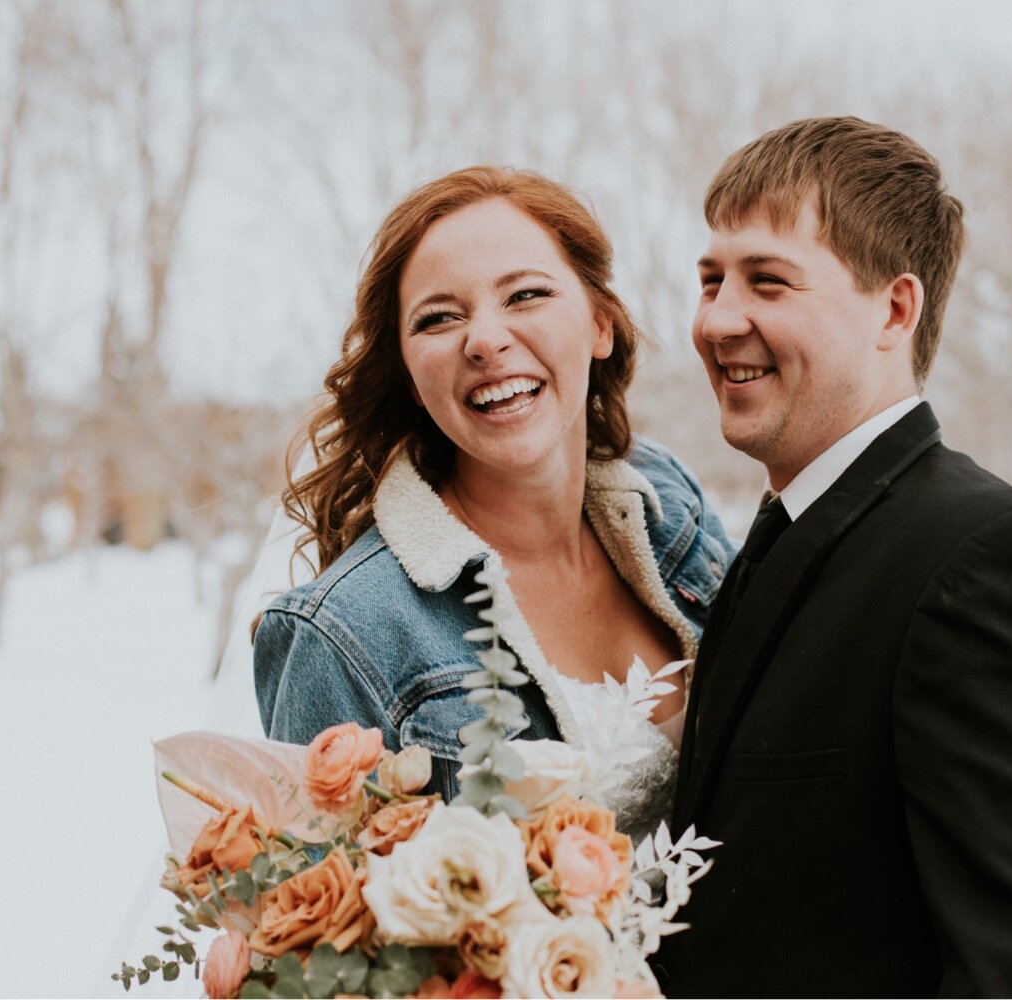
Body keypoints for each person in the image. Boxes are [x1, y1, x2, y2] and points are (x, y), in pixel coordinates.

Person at [657, 118, 1012, 997]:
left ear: (895, 309)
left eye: (768, 280)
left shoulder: (990, 561)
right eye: (711, 280)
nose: (719, 319)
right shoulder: (774, 539)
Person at [252, 166, 735, 839]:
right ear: (412, 377)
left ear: (601, 324)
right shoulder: (346, 634)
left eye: (526, 295)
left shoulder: (668, 504)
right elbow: (316, 920)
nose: (484, 341)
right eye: (439, 318)